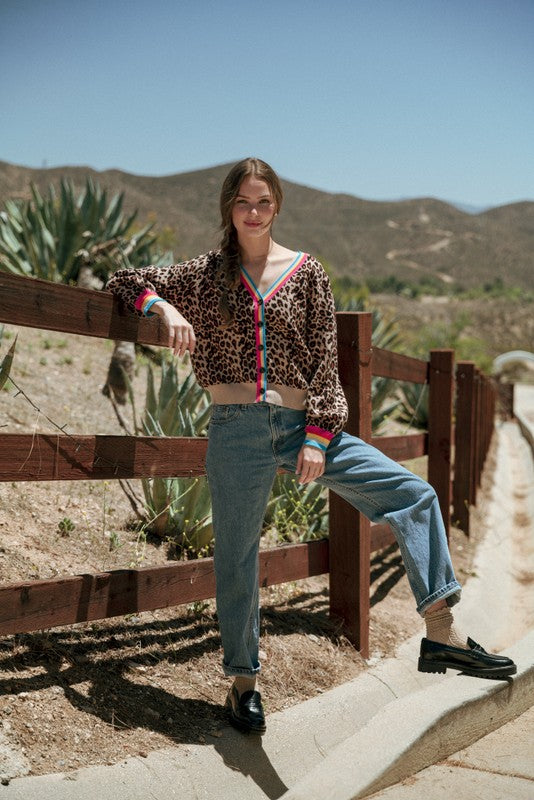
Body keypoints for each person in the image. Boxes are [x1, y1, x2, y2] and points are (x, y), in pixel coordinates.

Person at [106, 157, 516, 735]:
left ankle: (441, 637)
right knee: (238, 557)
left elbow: (325, 361)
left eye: (264, 203)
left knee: (414, 494)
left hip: (304, 427)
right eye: (244, 202)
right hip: (235, 428)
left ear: (277, 207)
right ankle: (244, 686)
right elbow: (123, 279)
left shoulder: (306, 273)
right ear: (229, 207)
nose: (253, 213)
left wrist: (320, 437)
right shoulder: (202, 276)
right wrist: (161, 305)